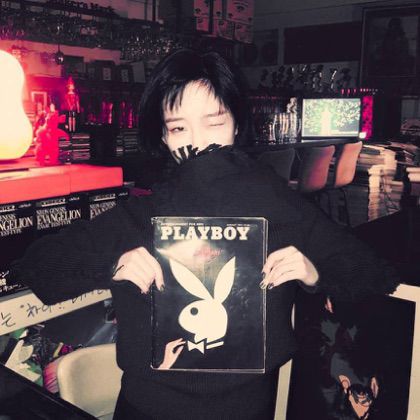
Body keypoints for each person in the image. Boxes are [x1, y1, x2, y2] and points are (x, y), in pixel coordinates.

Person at [10, 49, 399, 420]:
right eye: (179, 127)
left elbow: (373, 275)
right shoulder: (143, 213)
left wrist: (313, 273)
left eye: (214, 122)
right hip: (149, 410)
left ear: (236, 123)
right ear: (163, 137)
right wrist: (110, 266)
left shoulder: (277, 206)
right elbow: (37, 268)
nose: (198, 141)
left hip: (247, 411)